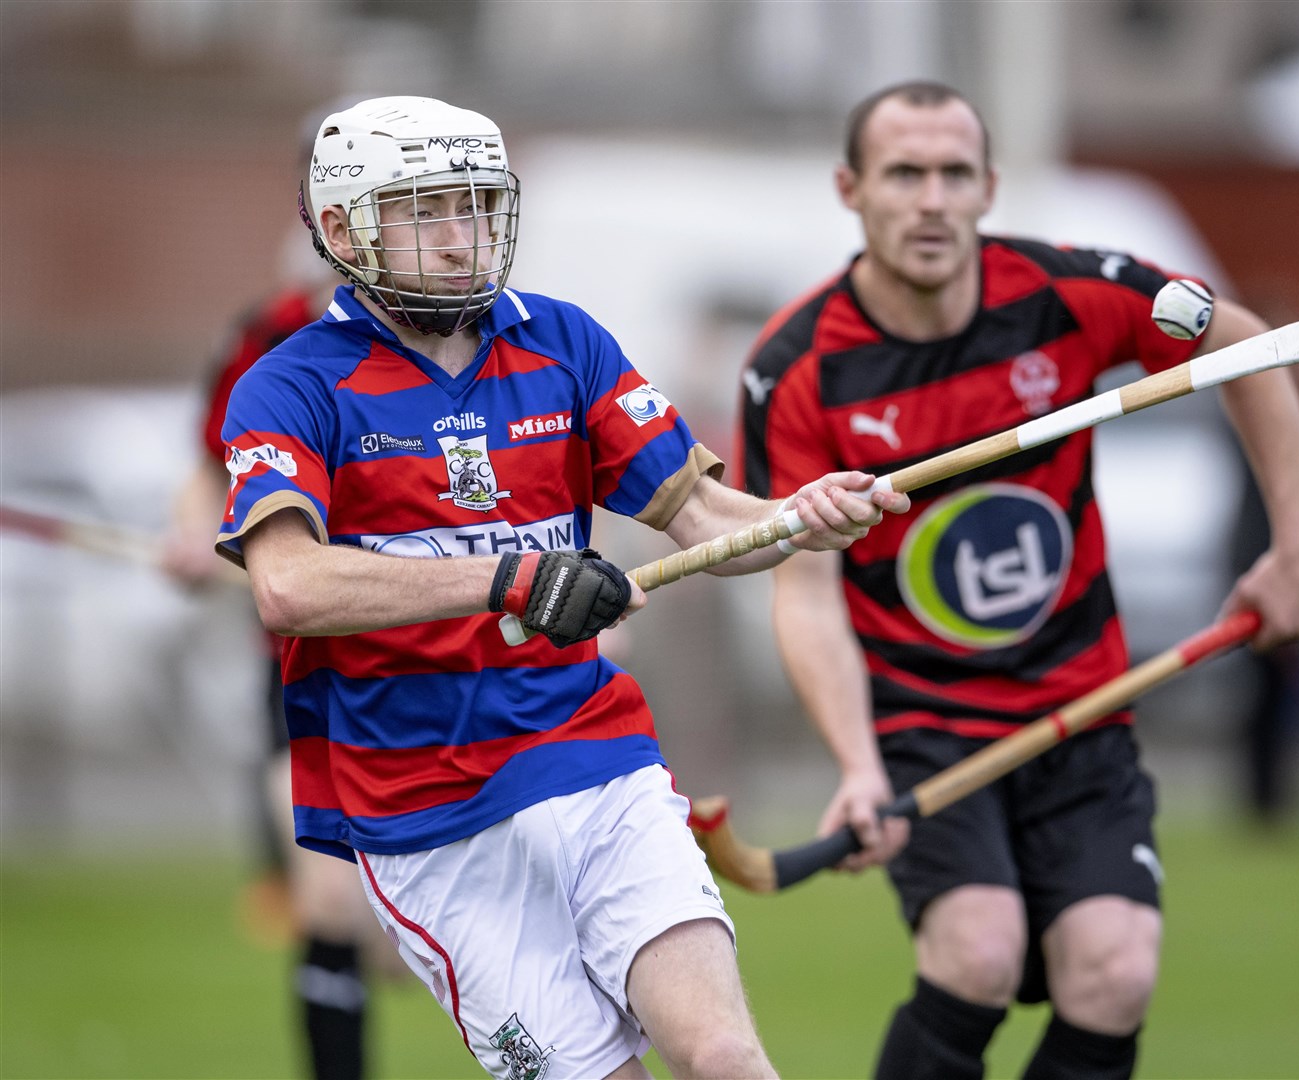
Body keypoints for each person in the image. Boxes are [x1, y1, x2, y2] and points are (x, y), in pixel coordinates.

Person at [213, 95, 907, 1080]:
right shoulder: (289, 386)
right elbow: (286, 586)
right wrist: (510, 580)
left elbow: (711, 524)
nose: (463, 242)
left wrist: (799, 516)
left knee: (723, 1056)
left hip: (595, 764)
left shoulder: (564, 344)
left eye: (478, 207)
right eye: (425, 211)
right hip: (424, 815)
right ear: (339, 228)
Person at [738, 81, 1299, 1079]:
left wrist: (1298, 546)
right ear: (852, 189)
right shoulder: (796, 369)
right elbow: (802, 589)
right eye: (904, 174)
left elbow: (1249, 346)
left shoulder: (1066, 295)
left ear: (989, 187)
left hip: (1082, 705)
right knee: (977, 953)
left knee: (1115, 971)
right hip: (922, 725)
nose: (931, 200)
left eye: (954, 174)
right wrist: (857, 765)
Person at [164, 256, 414, 1079]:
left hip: (443, 672)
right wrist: (193, 533)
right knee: (329, 900)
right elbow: (213, 469)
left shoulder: (468, 328)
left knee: (410, 943)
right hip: (308, 675)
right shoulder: (268, 337)